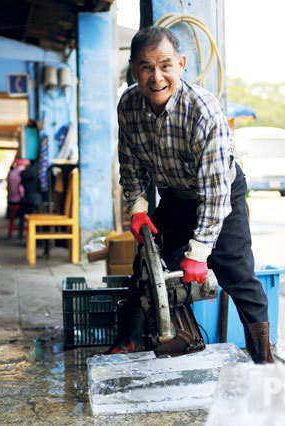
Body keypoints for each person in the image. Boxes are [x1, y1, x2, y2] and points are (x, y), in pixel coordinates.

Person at [116, 26, 273, 363]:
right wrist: (139, 207)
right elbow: (130, 164)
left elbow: (216, 194)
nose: (156, 77)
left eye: (165, 65)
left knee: (238, 275)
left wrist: (199, 253)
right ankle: (126, 343)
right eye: (146, 67)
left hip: (220, 192)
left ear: (182, 64)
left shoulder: (204, 111)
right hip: (174, 195)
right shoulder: (128, 105)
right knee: (146, 265)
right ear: (134, 69)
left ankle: (264, 360)